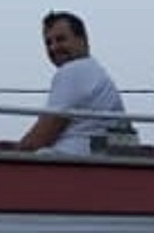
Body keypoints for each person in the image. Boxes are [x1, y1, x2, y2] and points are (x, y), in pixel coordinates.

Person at [19, 11, 129, 156]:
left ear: (82, 40)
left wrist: (9, 158)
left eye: (61, 39)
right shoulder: (95, 71)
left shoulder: (74, 70)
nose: (53, 47)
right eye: (48, 43)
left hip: (71, 167)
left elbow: (38, 139)